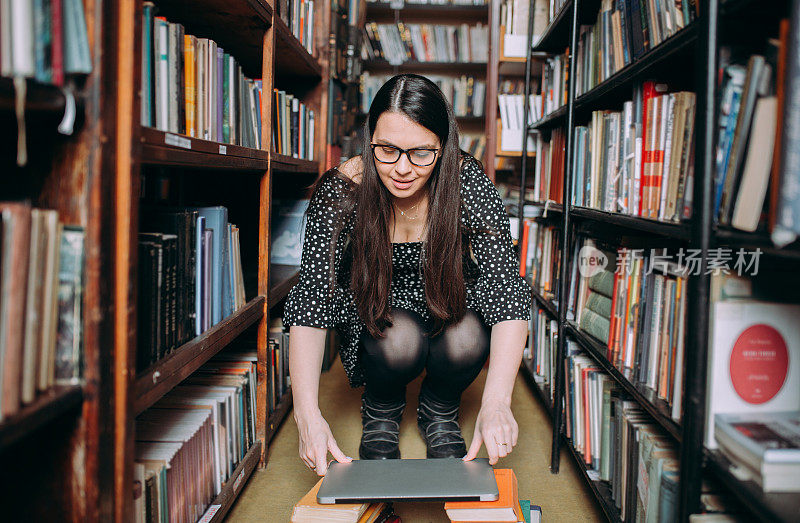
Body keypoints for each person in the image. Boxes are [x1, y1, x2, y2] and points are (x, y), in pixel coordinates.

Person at [284, 74, 532, 476]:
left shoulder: (469, 183)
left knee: (466, 339)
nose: (402, 169)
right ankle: (381, 406)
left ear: (443, 147)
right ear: (369, 140)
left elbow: (506, 288)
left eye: (420, 153)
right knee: (398, 341)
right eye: (387, 150)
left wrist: (497, 400)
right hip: (378, 310)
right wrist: (306, 413)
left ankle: (439, 405)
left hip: (447, 300)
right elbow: (313, 296)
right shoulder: (343, 189)